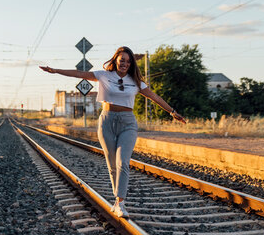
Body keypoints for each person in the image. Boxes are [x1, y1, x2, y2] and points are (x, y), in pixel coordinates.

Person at [40, 46, 185, 218]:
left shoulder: (136, 82)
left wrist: (172, 111)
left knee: (123, 162)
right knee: (112, 165)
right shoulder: (104, 75)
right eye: (122, 60)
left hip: (128, 123)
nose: (125, 63)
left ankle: (120, 202)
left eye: (128, 61)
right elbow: (79, 74)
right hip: (106, 121)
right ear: (116, 60)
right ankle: (117, 199)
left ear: (131, 64)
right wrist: (55, 71)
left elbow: (155, 97)